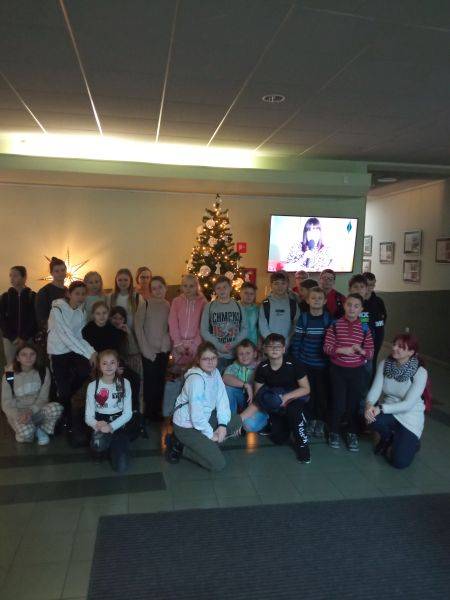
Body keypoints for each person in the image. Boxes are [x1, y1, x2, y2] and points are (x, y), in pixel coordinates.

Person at [165, 342, 256, 471]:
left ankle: (205, 444)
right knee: (218, 464)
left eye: (213, 358)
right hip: (187, 427)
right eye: (206, 359)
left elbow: (222, 400)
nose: (210, 362)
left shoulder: (216, 373)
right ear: (198, 360)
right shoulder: (195, 380)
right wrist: (211, 435)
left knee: (235, 420)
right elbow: (196, 416)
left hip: (204, 419)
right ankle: (179, 445)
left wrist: (222, 425)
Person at [365, 333, 426, 469]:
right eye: (394, 344)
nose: (394, 348)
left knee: (399, 463)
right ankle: (388, 438)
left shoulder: (420, 372)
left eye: (401, 347)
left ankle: (413, 443)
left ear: (411, 352)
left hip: (410, 416)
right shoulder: (385, 364)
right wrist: (369, 405)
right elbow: (375, 390)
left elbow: (408, 404)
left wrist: (380, 408)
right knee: (371, 418)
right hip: (389, 410)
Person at [324, 293, 374, 452]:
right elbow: (327, 348)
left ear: (361, 309)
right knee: (338, 404)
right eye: (349, 305)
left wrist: (362, 351)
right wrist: (341, 350)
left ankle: (351, 432)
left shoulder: (365, 328)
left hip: (357, 371)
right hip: (338, 371)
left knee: (353, 404)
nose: (352, 308)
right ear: (344, 306)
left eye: (356, 306)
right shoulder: (335, 325)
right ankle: (334, 431)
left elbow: (371, 352)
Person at [254, 333, 311, 463]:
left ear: (284, 349)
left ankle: (303, 444)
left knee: (294, 412)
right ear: (265, 349)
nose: (274, 349)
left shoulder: (294, 364)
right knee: (278, 439)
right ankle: (285, 423)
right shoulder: (262, 367)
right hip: (277, 401)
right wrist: (271, 401)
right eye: (270, 346)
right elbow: (258, 393)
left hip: (295, 398)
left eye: (278, 346)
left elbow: (306, 389)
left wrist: (285, 397)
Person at [47, 281, 96, 426]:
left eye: (83, 294)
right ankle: (65, 419)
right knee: (62, 388)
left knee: (85, 369)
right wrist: (87, 353)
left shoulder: (82, 312)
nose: (80, 297)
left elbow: (79, 337)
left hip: (73, 351)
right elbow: (66, 335)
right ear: (69, 294)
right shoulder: (57, 309)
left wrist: (92, 353)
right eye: (77, 293)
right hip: (57, 352)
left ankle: (64, 397)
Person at [290, 286, 332, 438]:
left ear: (325, 301)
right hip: (305, 364)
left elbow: (332, 342)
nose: (316, 301)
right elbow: (297, 340)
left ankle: (319, 421)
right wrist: (297, 362)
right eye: (313, 298)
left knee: (321, 395)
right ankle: (308, 420)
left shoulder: (328, 319)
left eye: (320, 298)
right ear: (307, 300)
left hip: (322, 366)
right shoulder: (304, 318)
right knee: (308, 394)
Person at [1, 343, 63, 444]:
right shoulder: (9, 376)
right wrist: (19, 415)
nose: (28, 358)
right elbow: (6, 403)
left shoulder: (43, 372)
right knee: (25, 436)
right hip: (19, 413)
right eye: (24, 354)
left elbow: (43, 398)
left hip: (36, 410)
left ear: (36, 356)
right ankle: (31, 430)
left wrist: (30, 411)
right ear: (17, 358)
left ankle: (41, 429)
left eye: (32, 354)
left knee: (56, 408)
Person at [85, 349, 133, 472]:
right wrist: (97, 424)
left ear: (117, 364)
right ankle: (103, 448)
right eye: (104, 363)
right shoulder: (92, 386)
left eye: (112, 362)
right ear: (99, 366)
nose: (109, 366)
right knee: (98, 447)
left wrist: (111, 426)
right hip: (100, 422)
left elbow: (128, 413)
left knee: (121, 467)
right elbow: (88, 416)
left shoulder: (125, 383)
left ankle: (115, 446)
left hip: (119, 422)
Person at [135, 276, 171, 421]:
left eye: (160, 287)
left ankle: (158, 412)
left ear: (165, 288)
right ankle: (149, 414)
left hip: (163, 351)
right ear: (150, 291)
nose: (157, 291)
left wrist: (166, 344)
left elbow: (170, 327)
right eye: (154, 288)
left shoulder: (168, 305)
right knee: (150, 383)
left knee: (160, 381)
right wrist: (146, 350)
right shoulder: (145, 304)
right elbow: (138, 328)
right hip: (149, 351)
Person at [200, 276, 248, 373]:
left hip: (236, 353)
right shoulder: (209, 306)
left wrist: (233, 344)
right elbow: (204, 330)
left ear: (230, 288)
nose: (222, 290)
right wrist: (219, 346)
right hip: (216, 354)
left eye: (225, 287)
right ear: (215, 290)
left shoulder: (238, 306)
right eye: (218, 288)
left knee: (233, 380)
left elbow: (245, 328)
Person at [108, 268, 142, 380]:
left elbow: (142, 319)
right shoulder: (111, 297)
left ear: (130, 281)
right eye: (120, 280)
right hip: (116, 336)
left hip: (133, 336)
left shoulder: (137, 297)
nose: (123, 282)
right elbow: (108, 317)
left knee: (133, 367)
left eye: (126, 280)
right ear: (116, 281)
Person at [0, 266, 37, 364]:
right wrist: (12, 337)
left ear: (24, 277)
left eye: (15, 275)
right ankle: (10, 377)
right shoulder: (5, 297)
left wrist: (24, 337)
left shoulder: (32, 296)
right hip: (10, 339)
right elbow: (2, 319)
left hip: (28, 338)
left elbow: (34, 319)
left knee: (28, 365)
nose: (12, 278)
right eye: (10, 276)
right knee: (11, 365)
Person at [169, 274, 206, 366]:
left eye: (191, 286)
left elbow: (203, 325)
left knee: (194, 369)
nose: (188, 289)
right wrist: (177, 343)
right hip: (179, 344)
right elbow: (173, 323)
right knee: (179, 370)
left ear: (197, 287)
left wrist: (195, 344)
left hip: (196, 345)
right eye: (185, 286)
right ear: (181, 287)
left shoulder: (203, 302)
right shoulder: (176, 301)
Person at [259, 271, 299, 344]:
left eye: (283, 283)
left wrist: (287, 341)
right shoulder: (265, 304)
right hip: (270, 345)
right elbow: (262, 325)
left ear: (287, 285)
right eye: (276, 283)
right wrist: (272, 343)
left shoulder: (293, 304)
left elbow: (296, 324)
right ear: (271, 285)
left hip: (287, 345)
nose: (280, 286)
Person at [222, 339, 258, 414]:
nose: (244, 356)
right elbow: (225, 378)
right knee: (227, 388)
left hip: (255, 402)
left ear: (255, 354)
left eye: (248, 353)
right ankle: (231, 417)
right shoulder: (235, 366)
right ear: (237, 356)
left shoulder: (260, 367)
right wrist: (245, 385)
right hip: (241, 398)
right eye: (241, 354)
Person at [363, 272, 387, 373]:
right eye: (367, 284)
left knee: (372, 359)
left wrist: (376, 330)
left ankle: (372, 380)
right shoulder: (358, 301)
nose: (370, 288)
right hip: (361, 335)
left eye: (372, 285)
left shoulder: (378, 301)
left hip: (377, 335)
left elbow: (383, 318)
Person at [35, 256, 67, 332]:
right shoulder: (44, 292)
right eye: (57, 271)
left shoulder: (68, 291)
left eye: (63, 270)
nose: (61, 273)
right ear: (51, 273)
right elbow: (41, 317)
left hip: (67, 331)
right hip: (52, 332)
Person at [239, 282, 260, 347]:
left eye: (251, 294)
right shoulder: (235, 307)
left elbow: (259, 328)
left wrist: (259, 342)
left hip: (253, 342)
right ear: (240, 293)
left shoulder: (257, 309)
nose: (249, 296)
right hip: (238, 343)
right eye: (246, 293)